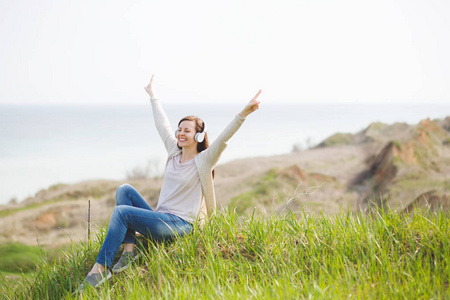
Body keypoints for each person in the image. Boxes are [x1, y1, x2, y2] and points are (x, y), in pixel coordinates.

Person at [80, 75, 261, 288]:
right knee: (124, 191)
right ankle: (130, 252)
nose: (181, 133)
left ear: (199, 136)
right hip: (161, 219)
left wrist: (243, 114)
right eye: (179, 129)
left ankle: (100, 269)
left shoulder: (205, 160)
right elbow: (162, 124)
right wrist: (153, 95)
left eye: (187, 130)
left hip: (181, 225)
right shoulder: (173, 152)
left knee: (122, 212)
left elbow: (224, 138)